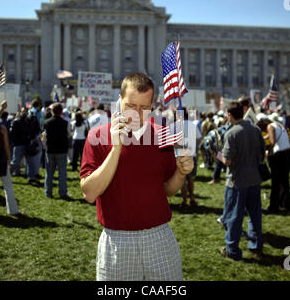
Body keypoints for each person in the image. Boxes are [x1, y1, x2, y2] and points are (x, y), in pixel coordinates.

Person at [80, 73, 194, 281]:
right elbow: (89, 193)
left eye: (144, 108)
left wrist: (180, 173)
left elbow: (167, 190)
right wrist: (116, 149)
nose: (136, 114)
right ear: (119, 102)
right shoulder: (97, 136)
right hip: (117, 239)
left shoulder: (162, 136)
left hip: (158, 236)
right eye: (131, 106)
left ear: (152, 106)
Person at [219, 101, 265, 261]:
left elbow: (227, 161)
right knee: (255, 215)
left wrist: (216, 154)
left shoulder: (232, 133)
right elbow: (263, 153)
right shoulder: (255, 129)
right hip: (254, 179)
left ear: (230, 115)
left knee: (233, 217)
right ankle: (256, 246)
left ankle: (232, 249)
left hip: (237, 182)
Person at [266, 113, 290, 213]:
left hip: (279, 156)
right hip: (288, 153)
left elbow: (272, 142)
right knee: (284, 180)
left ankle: (274, 206)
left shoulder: (270, 126)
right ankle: (285, 203)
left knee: (276, 182)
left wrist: (268, 152)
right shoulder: (280, 126)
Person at [43, 102, 69, 199]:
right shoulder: (65, 123)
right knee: (62, 173)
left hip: (50, 150)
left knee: (49, 173)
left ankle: (48, 192)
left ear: (52, 111)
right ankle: (62, 193)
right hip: (62, 150)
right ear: (61, 111)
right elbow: (68, 135)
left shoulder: (47, 123)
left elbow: (44, 137)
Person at [177, 109, 202, 208]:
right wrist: (193, 144)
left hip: (181, 155)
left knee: (183, 180)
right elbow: (199, 138)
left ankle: (185, 201)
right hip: (191, 155)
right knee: (190, 179)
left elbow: (173, 144)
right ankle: (191, 199)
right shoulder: (192, 124)